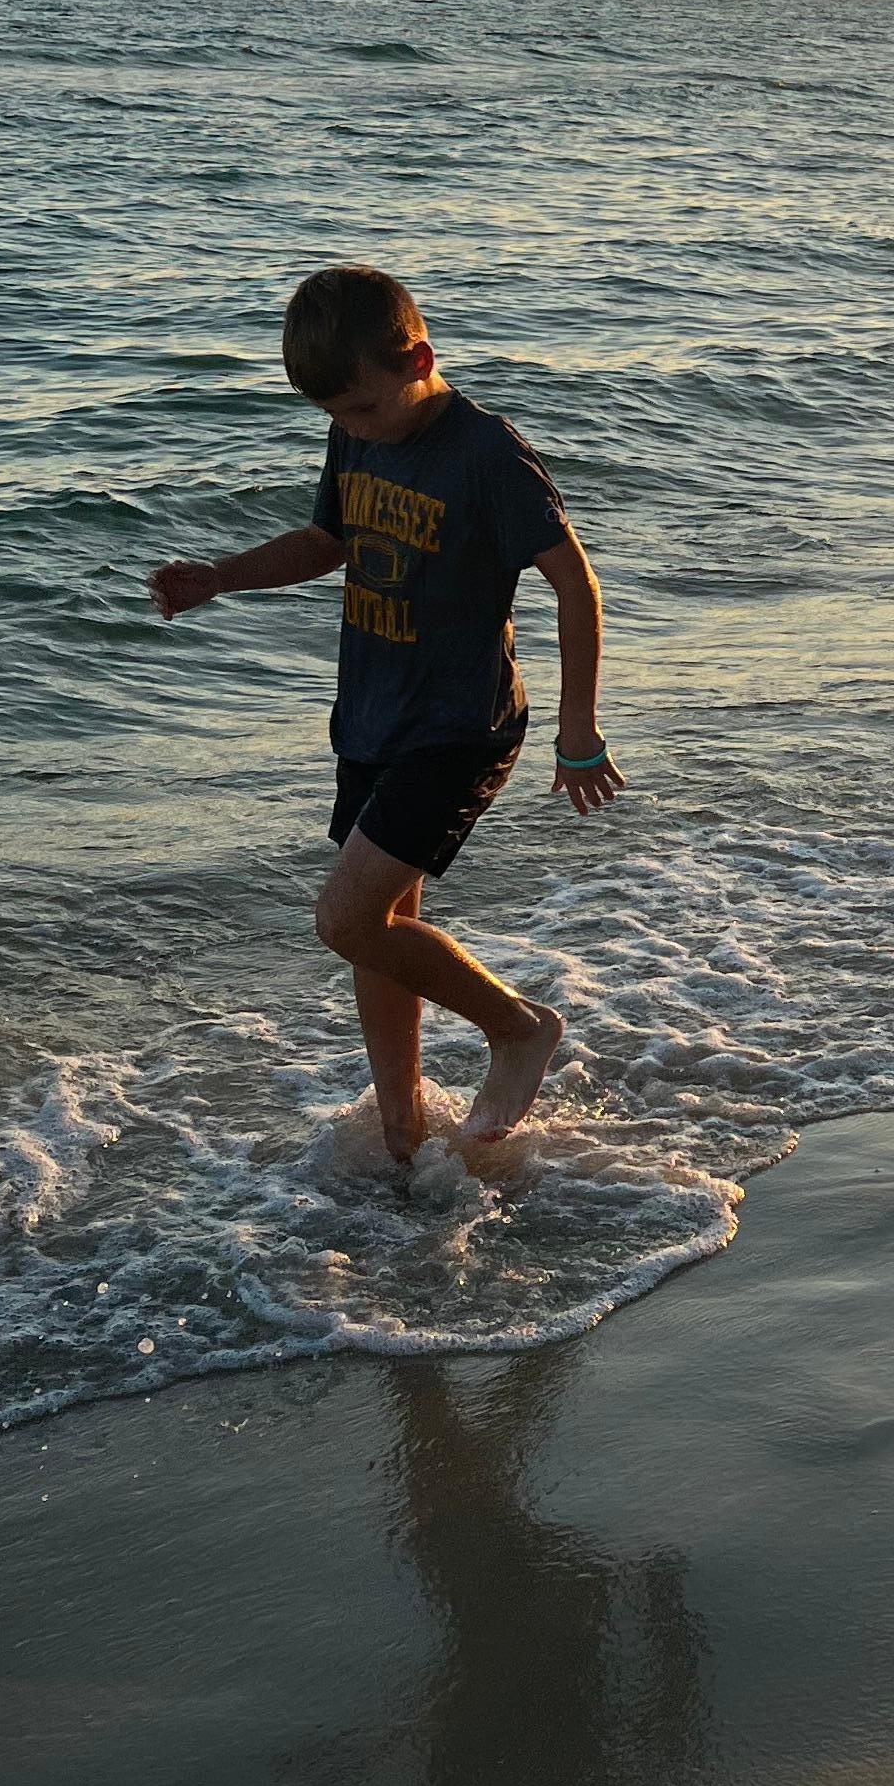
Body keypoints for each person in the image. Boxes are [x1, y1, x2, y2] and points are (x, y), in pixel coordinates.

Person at [147, 266, 622, 1165]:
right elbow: (330, 540)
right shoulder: (355, 431)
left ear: (418, 359)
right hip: (370, 715)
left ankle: (518, 1029)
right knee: (382, 929)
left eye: (363, 409)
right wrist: (222, 576)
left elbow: (575, 583)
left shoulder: (489, 454)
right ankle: (402, 1129)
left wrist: (578, 729)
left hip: (458, 725)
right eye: (336, 416)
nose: (351, 429)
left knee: (346, 919)